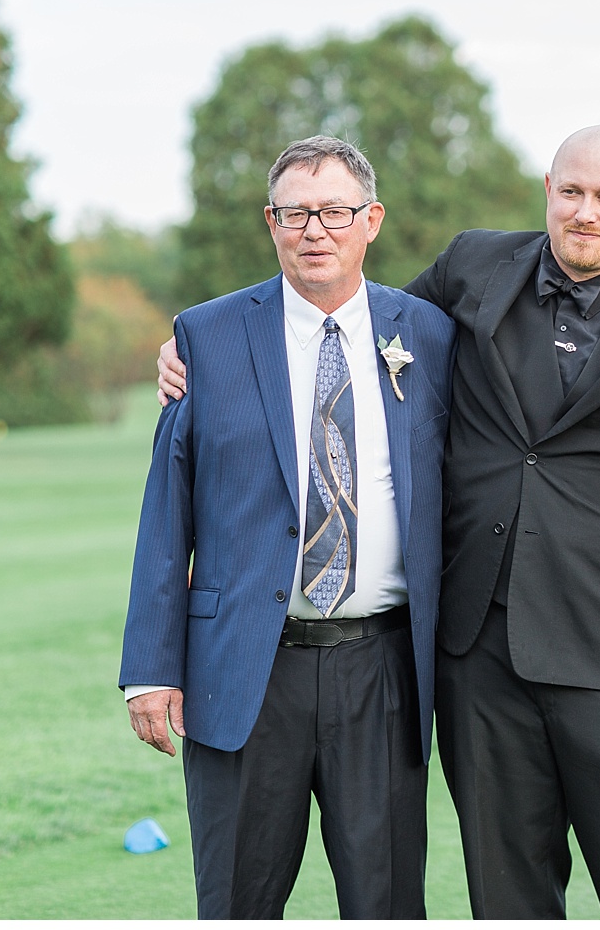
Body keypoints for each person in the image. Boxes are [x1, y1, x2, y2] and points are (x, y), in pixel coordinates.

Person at [159, 125, 600, 919]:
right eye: (571, 191)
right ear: (548, 187)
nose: (585, 212)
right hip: (479, 654)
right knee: (505, 893)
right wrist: (210, 346)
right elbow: (358, 323)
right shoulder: (474, 266)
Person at [120, 136, 457, 918]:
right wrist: (149, 665)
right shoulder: (206, 334)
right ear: (270, 222)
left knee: (386, 902)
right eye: (295, 213)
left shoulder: (433, 336)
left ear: (370, 220)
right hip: (243, 668)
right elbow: (166, 509)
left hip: (382, 668)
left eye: (335, 211)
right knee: (237, 899)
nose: (315, 230)